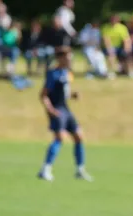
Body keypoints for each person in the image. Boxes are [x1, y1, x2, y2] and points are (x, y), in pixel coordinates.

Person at [38, 47, 92, 182]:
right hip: (57, 110)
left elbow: (63, 93)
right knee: (59, 138)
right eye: (68, 57)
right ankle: (46, 169)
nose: (70, 60)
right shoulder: (53, 74)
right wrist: (50, 110)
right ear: (60, 58)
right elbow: (43, 95)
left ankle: (80, 169)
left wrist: (73, 95)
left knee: (79, 136)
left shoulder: (66, 73)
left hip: (66, 109)